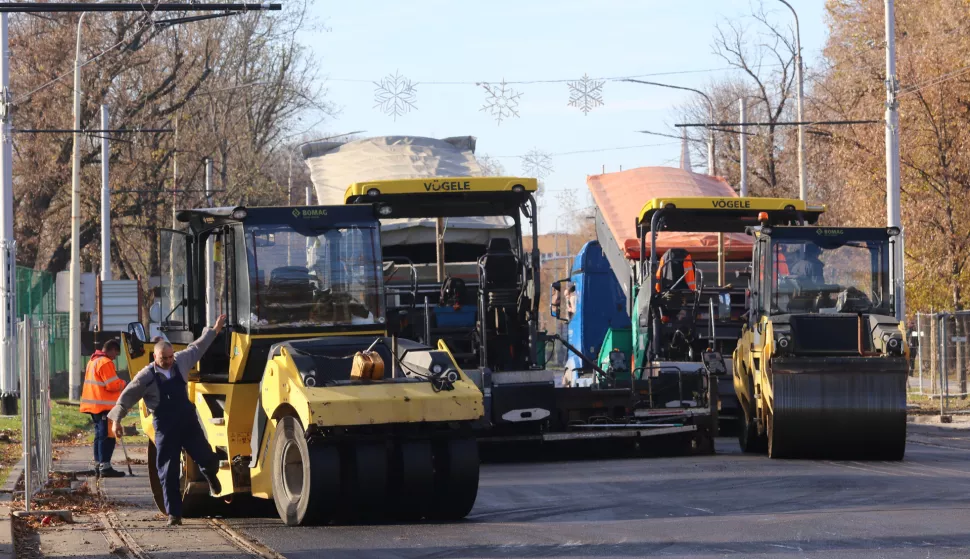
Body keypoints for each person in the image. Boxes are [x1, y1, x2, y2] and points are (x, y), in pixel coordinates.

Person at [108, 314, 227, 526]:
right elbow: (126, 398)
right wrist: (116, 421)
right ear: (156, 357)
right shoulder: (146, 376)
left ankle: (210, 473)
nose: (169, 361)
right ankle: (174, 514)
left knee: (207, 457)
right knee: (168, 471)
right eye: (164, 358)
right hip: (165, 427)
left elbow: (197, 348)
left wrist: (214, 330)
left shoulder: (180, 362)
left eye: (171, 357)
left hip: (187, 422)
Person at [79, 339, 127, 478]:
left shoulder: (92, 361)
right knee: (107, 436)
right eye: (115, 354)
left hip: (94, 405)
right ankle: (105, 466)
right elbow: (111, 385)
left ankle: (98, 464)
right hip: (104, 406)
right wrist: (123, 383)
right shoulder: (105, 362)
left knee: (99, 435)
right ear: (111, 350)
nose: (115, 357)